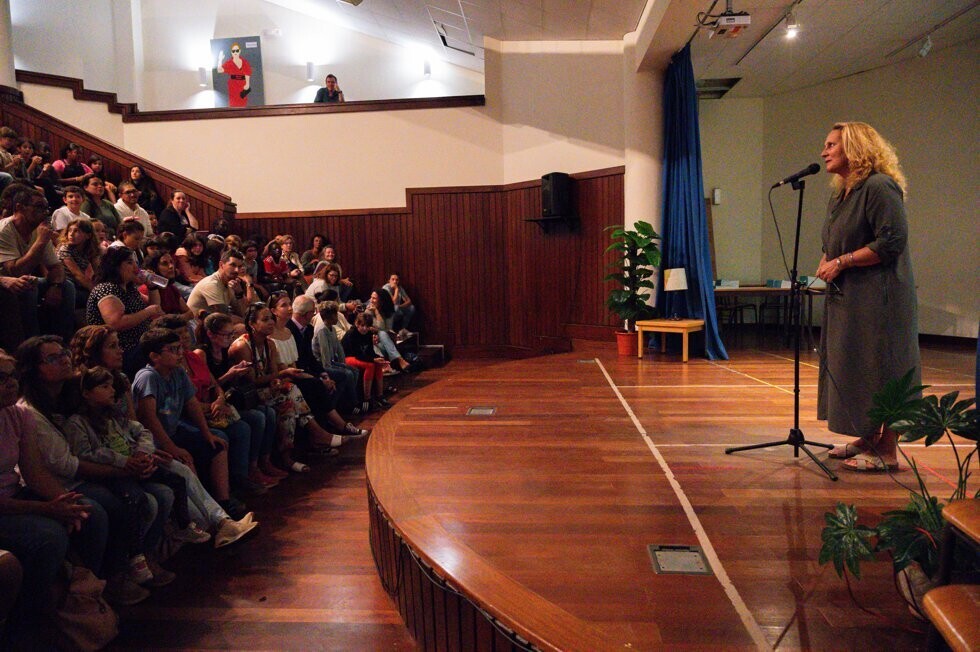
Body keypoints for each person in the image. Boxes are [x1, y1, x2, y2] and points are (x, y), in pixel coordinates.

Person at [68, 325, 254, 549]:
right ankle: (219, 525)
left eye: (119, 344)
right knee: (176, 472)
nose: (121, 351)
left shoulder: (121, 379)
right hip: (111, 458)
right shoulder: (83, 386)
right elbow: (143, 419)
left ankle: (221, 523)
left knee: (183, 468)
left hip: (135, 449)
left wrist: (144, 451)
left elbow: (134, 424)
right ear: (95, 352)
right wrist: (139, 456)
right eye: (113, 346)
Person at [815, 122, 920, 472]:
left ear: (855, 149)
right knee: (859, 366)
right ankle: (867, 437)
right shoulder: (843, 191)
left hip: (881, 297)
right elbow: (838, 237)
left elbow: (891, 242)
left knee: (885, 365)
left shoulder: (879, 186)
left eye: (832, 145)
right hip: (853, 298)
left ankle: (888, 450)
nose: (824, 151)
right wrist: (829, 257)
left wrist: (842, 261)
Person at [0, 348, 92, 642]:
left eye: (12, 376)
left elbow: (34, 473)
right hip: (5, 507)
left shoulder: (17, 414)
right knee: (48, 536)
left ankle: (83, 603)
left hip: (13, 495)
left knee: (90, 513)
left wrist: (68, 503)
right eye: (1, 378)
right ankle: (28, 621)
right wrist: (49, 510)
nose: (11, 383)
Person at [131, 328, 250, 521]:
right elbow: (148, 418)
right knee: (186, 460)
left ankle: (224, 500)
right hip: (156, 439)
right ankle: (203, 517)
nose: (180, 354)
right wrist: (172, 448)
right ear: (155, 356)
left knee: (217, 444)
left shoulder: (178, 372)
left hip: (174, 429)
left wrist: (206, 433)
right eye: (173, 350)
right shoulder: (148, 377)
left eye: (179, 348)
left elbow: (191, 403)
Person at [194, 313, 284, 487]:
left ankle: (260, 464)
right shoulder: (202, 353)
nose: (230, 339)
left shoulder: (224, 352)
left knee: (267, 412)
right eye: (226, 335)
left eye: (231, 335)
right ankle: (244, 474)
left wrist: (239, 373)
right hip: (211, 405)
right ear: (211, 334)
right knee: (254, 419)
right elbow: (209, 386)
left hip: (227, 400)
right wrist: (230, 374)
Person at [282, 294, 368, 440]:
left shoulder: (308, 329)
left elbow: (310, 357)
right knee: (325, 382)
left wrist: (323, 374)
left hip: (310, 369)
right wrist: (319, 376)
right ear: (308, 313)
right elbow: (301, 361)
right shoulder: (289, 329)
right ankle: (335, 422)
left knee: (334, 378)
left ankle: (334, 417)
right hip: (296, 373)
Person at [0, 188, 77, 341]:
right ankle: (33, 345)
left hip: (21, 279)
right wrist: (41, 241)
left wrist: (55, 286)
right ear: (19, 208)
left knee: (67, 286)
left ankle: (64, 342)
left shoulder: (37, 230)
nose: (45, 213)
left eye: (46, 208)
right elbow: (14, 271)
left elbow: (56, 266)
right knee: (29, 288)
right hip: (5, 280)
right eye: (38, 207)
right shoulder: (5, 230)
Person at [86, 246, 164, 375]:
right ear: (115, 266)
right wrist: (148, 312)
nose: (136, 268)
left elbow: (155, 305)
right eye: (129, 263)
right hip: (120, 349)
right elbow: (115, 323)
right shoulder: (107, 289)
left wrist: (152, 286)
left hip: (138, 345)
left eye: (136, 263)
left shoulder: (129, 289)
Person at [187, 248, 256, 321]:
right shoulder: (211, 284)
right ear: (221, 265)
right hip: (197, 327)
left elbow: (243, 312)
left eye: (239, 266)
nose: (237, 270)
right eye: (233, 265)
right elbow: (223, 317)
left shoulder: (230, 284)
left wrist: (239, 294)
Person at [56, 217, 101, 308]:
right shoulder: (65, 249)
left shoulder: (88, 250)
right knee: (97, 300)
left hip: (79, 286)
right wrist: (98, 292)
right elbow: (77, 275)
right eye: (69, 231)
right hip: (65, 286)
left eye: (77, 231)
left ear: (88, 235)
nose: (71, 234)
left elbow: (99, 272)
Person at [141, 251, 193, 320]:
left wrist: (175, 319)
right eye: (164, 264)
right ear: (154, 268)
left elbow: (190, 313)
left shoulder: (171, 287)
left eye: (171, 262)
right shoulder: (147, 289)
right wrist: (180, 318)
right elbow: (157, 319)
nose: (171, 266)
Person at [217, 43, 252, 108]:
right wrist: (220, 60)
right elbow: (219, 70)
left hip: (242, 85)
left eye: (237, 50)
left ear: (240, 51)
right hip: (233, 85)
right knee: (234, 104)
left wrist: (247, 84)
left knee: (243, 103)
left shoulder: (244, 62)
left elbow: (248, 73)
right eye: (233, 51)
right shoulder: (229, 63)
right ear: (231, 52)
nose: (235, 52)